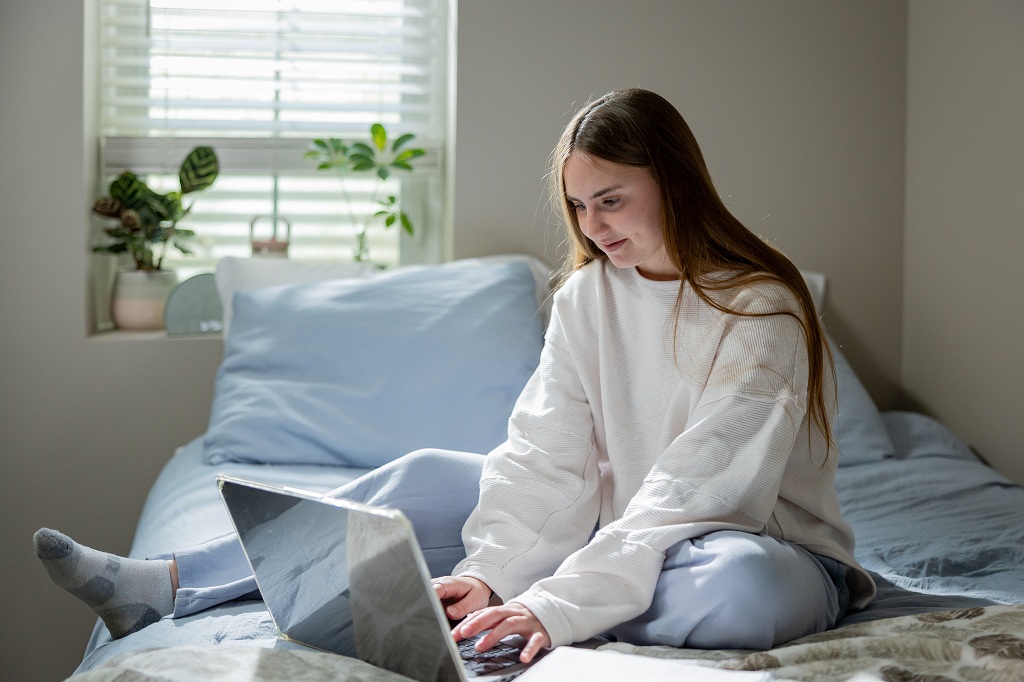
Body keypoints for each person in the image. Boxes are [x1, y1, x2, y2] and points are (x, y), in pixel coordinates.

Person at [35, 88, 875, 663]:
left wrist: (553, 602)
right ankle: (171, 586)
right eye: (579, 206)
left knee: (745, 591)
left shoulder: (759, 307)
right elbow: (543, 453)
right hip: (612, 533)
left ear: (675, 182)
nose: (593, 224)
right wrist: (491, 570)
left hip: (744, 542)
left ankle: (532, 612)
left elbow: (698, 491)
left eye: (611, 199)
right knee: (428, 479)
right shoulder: (587, 299)